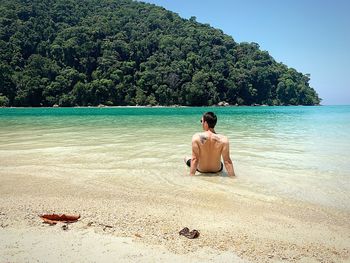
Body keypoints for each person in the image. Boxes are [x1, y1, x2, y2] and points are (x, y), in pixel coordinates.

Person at [185, 112, 235, 176]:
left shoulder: (196, 137)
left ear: (205, 123)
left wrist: (191, 176)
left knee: (186, 158)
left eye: (201, 121)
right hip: (217, 170)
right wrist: (233, 178)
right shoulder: (223, 139)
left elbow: (195, 159)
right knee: (221, 162)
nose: (201, 123)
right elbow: (227, 161)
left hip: (202, 170)